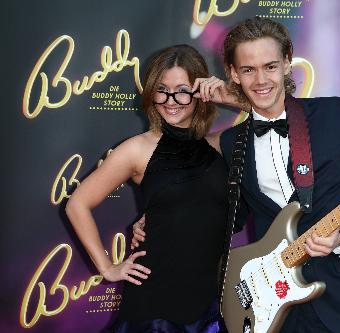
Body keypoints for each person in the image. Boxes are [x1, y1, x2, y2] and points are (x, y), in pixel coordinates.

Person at [134, 17, 340, 333]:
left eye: (270, 66)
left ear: (287, 63)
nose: (261, 80)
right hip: (274, 309)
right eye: (248, 69)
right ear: (232, 73)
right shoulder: (232, 143)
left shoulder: (335, 115)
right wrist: (164, 220)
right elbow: (230, 215)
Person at [66, 44, 243, 333]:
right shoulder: (137, 149)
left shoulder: (218, 145)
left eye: (182, 89)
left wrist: (227, 94)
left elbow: (277, 115)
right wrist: (108, 268)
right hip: (154, 306)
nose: (171, 100)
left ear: (200, 93)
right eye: (162, 89)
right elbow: (77, 205)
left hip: (209, 303)